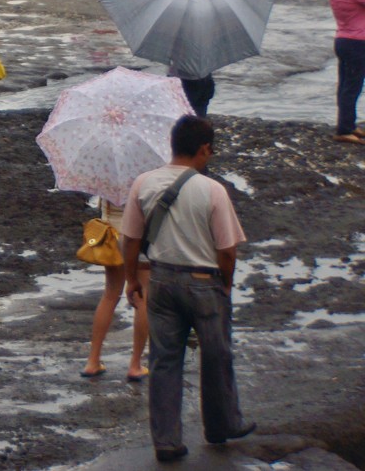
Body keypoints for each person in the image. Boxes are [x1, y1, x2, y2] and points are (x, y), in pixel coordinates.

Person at [121, 116, 255, 461]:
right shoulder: (211, 190)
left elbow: (131, 238)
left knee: (164, 361)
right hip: (203, 282)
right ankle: (221, 425)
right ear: (204, 149)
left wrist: (132, 279)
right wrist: (225, 282)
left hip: (162, 279)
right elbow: (227, 250)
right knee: (216, 356)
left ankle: (166, 440)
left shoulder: (143, 182)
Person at [83, 189, 151, 383]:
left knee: (110, 294)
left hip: (110, 236)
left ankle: (92, 361)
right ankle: (135, 364)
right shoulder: (144, 175)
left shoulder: (107, 172)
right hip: (138, 238)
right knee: (142, 296)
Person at [331, 0, 365, 144]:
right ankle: (344, 129)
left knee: (345, 84)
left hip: (342, 40)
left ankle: (347, 125)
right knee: (352, 86)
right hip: (357, 43)